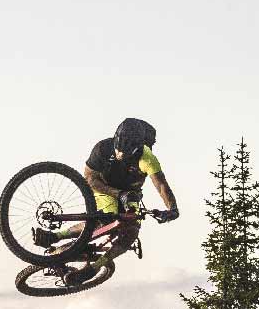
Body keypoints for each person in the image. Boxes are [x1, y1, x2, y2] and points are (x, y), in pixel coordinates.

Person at [39, 117, 179, 281]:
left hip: (131, 193)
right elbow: (89, 178)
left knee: (130, 233)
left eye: (125, 152)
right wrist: (118, 194)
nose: (120, 154)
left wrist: (172, 208)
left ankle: (93, 268)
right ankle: (56, 236)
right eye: (118, 148)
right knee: (106, 220)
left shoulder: (147, 158)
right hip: (104, 188)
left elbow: (161, 185)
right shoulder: (103, 148)